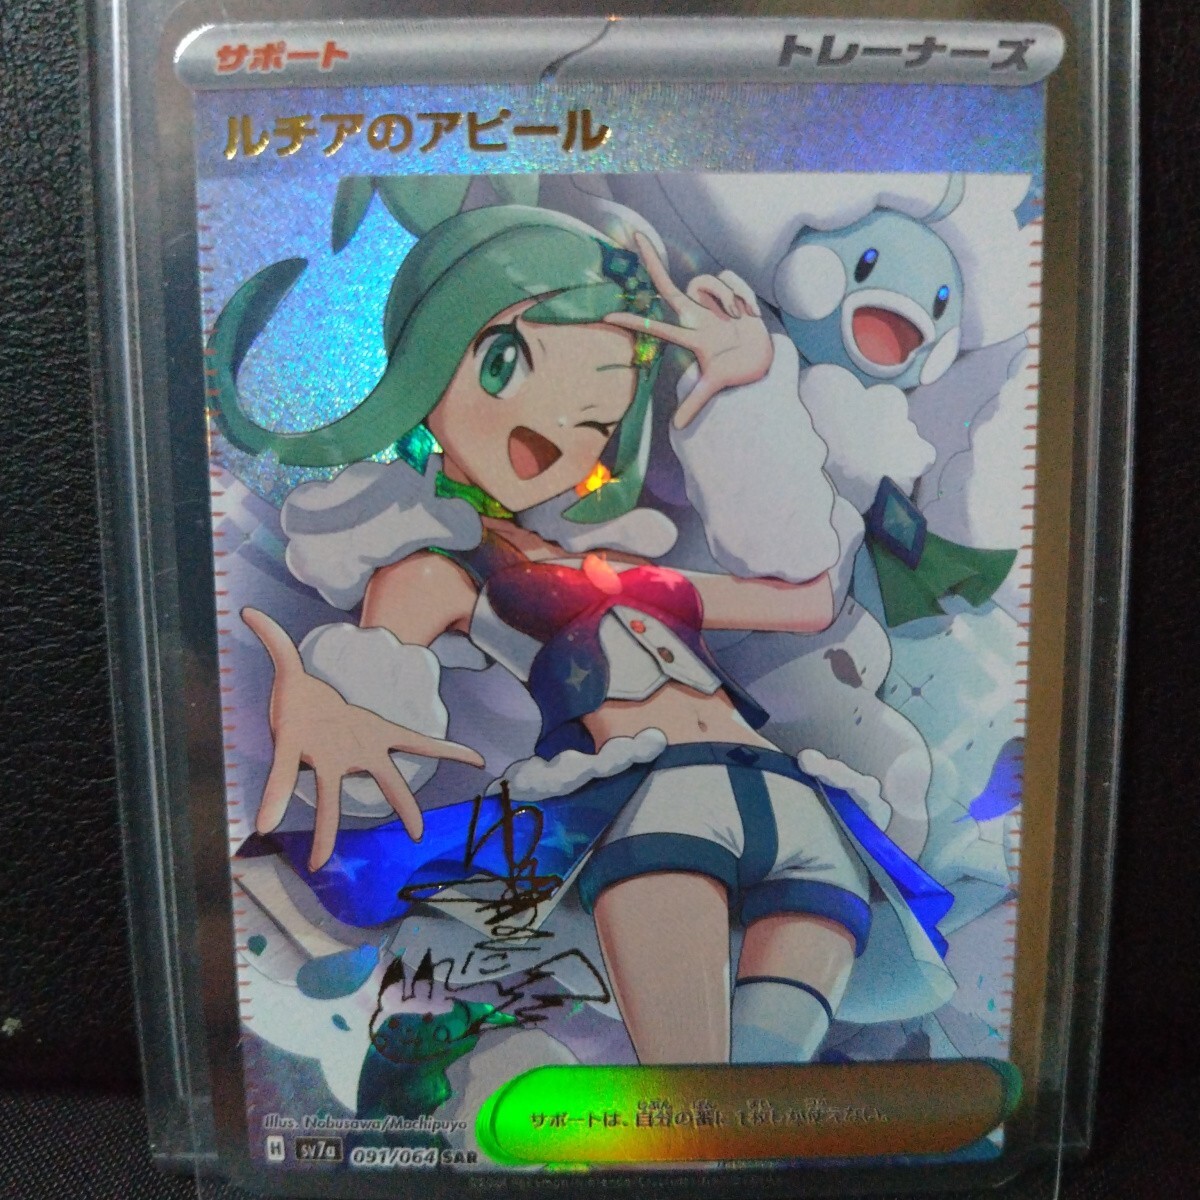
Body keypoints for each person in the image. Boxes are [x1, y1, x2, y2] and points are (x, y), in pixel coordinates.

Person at [213, 196, 953, 1065]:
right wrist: (327, 716)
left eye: (595, 423)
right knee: (689, 1096)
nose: (552, 438)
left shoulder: (628, 569)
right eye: (506, 365)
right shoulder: (440, 574)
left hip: (799, 810)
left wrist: (749, 386)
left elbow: (807, 600)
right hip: (657, 809)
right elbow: (376, 700)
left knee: (755, 1101)